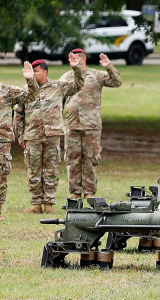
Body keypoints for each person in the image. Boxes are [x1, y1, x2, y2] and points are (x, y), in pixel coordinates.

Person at [14, 55, 84, 214]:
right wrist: (20, 134)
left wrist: (76, 68)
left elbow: (79, 85)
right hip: (32, 135)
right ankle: (36, 204)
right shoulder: (25, 90)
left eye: (36, 71)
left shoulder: (58, 86)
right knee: (34, 170)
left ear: (44, 72)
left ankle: (49, 204)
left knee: (51, 170)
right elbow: (19, 114)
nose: (32, 74)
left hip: (52, 135)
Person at [59, 49, 122, 199]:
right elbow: (59, 102)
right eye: (72, 60)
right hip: (72, 124)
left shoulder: (96, 75)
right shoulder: (65, 78)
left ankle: (89, 192)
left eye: (78, 60)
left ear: (84, 60)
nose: (75, 63)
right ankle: (74, 191)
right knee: (73, 158)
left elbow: (116, 82)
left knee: (90, 158)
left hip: (91, 125)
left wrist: (109, 66)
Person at [0, 63, 38, 221]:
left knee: (1, 176)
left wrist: (30, 80)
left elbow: (31, 96)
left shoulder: (7, 91)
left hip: (2, 141)